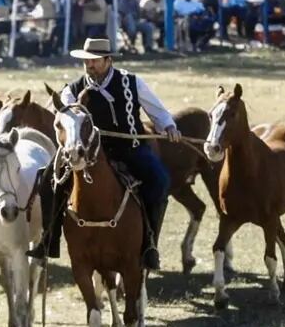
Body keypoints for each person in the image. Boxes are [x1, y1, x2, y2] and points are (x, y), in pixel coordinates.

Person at [26, 38, 182, 270]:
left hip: (130, 149)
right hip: (89, 153)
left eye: (95, 60)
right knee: (48, 180)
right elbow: (65, 116)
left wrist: (168, 126)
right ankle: (49, 240)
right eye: (86, 61)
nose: (89, 65)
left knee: (160, 181)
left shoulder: (132, 82)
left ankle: (149, 245)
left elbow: (157, 110)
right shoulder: (72, 90)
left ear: (108, 60)